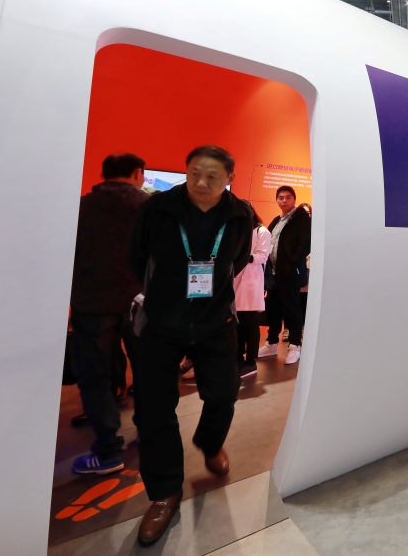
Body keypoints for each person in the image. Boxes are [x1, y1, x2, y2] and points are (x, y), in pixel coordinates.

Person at [128, 146, 253, 547]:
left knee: (223, 394)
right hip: (162, 323)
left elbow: (240, 258)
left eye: (211, 176)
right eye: (194, 173)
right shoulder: (158, 209)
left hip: (216, 322)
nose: (200, 182)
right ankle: (164, 493)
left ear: (229, 179)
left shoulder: (239, 215)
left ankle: (210, 443)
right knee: (154, 411)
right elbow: (136, 257)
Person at [70, 153, 151, 475]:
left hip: (92, 305)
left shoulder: (81, 207)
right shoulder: (151, 209)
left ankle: (107, 452)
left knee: (95, 379)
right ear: (138, 173)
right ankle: (150, 431)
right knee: (148, 373)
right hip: (141, 304)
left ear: (103, 175)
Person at [257, 186, 311, 366]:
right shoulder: (276, 220)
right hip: (274, 274)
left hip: (291, 274)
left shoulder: (302, 219)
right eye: (280, 197)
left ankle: (295, 345)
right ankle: (271, 343)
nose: (284, 200)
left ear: (294, 199)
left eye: (288, 197)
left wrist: (291, 264)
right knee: (273, 310)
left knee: (292, 311)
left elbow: (305, 244)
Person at [234, 203, 271, 378]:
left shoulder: (262, 231)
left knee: (250, 323)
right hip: (235, 281)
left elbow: (263, 255)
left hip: (251, 281)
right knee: (238, 322)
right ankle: (238, 357)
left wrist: (244, 258)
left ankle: (251, 362)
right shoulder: (238, 230)